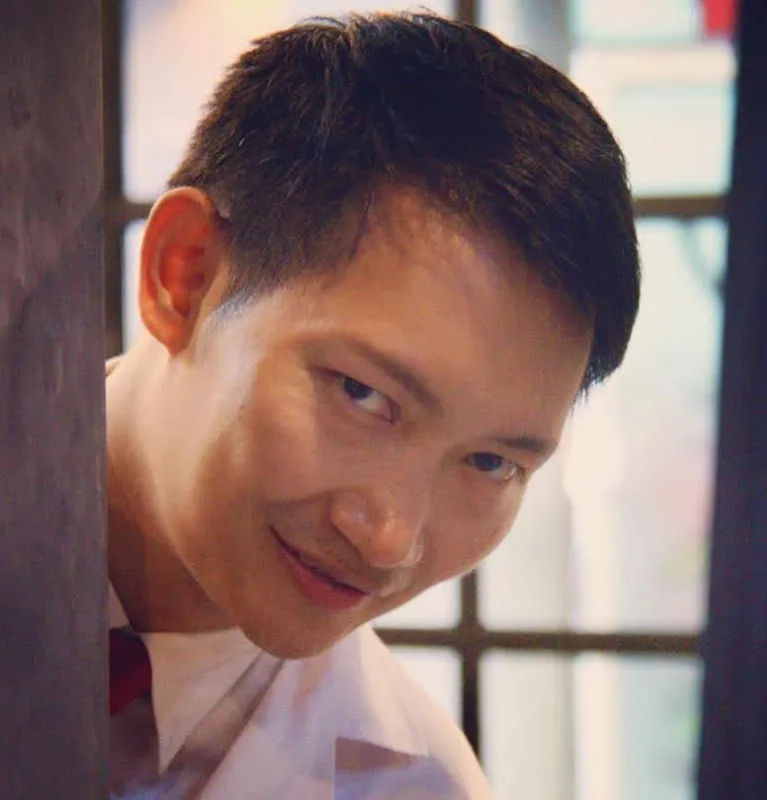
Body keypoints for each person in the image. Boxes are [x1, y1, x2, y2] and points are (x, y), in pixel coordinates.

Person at [105, 11, 640, 799]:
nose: (389, 541)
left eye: (491, 462)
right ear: (185, 274)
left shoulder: (417, 786)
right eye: (364, 395)